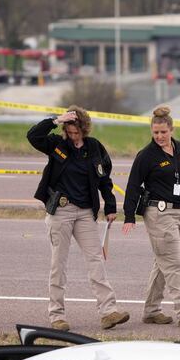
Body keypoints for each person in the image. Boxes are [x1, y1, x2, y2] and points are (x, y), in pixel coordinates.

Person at [27, 106, 130, 331]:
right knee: (58, 265)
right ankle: (57, 316)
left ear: (84, 129)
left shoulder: (94, 148)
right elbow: (33, 136)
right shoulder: (56, 144)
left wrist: (110, 206)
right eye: (70, 132)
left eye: (77, 133)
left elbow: (104, 178)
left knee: (96, 260)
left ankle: (108, 312)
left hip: (85, 213)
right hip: (61, 212)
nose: (74, 137)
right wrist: (56, 120)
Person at [122, 105, 180, 329]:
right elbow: (133, 186)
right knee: (174, 264)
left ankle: (151, 310)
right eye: (155, 132)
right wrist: (129, 215)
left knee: (163, 263)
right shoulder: (146, 156)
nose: (159, 136)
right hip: (159, 214)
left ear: (171, 130)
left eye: (163, 132)